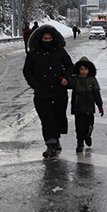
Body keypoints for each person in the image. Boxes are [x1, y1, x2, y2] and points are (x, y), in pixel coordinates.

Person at [23, 24, 74, 158]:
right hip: (42, 93)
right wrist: (36, 86)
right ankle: (50, 144)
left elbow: (69, 66)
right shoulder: (33, 54)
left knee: (58, 117)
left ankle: (55, 139)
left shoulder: (60, 51)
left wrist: (66, 78)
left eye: (49, 38)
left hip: (59, 91)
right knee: (47, 119)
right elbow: (27, 72)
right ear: (40, 39)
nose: (47, 41)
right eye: (45, 38)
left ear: (54, 38)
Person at [67, 57, 104, 153]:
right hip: (78, 108)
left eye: (86, 69)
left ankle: (88, 136)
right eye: (82, 69)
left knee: (89, 126)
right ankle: (79, 143)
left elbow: (96, 94)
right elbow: (69, 85)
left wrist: (100, 106)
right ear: (78, 70)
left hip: (89, 109)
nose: (84, 72)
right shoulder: (75, 79)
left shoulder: (92, 80)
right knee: (79, 127)